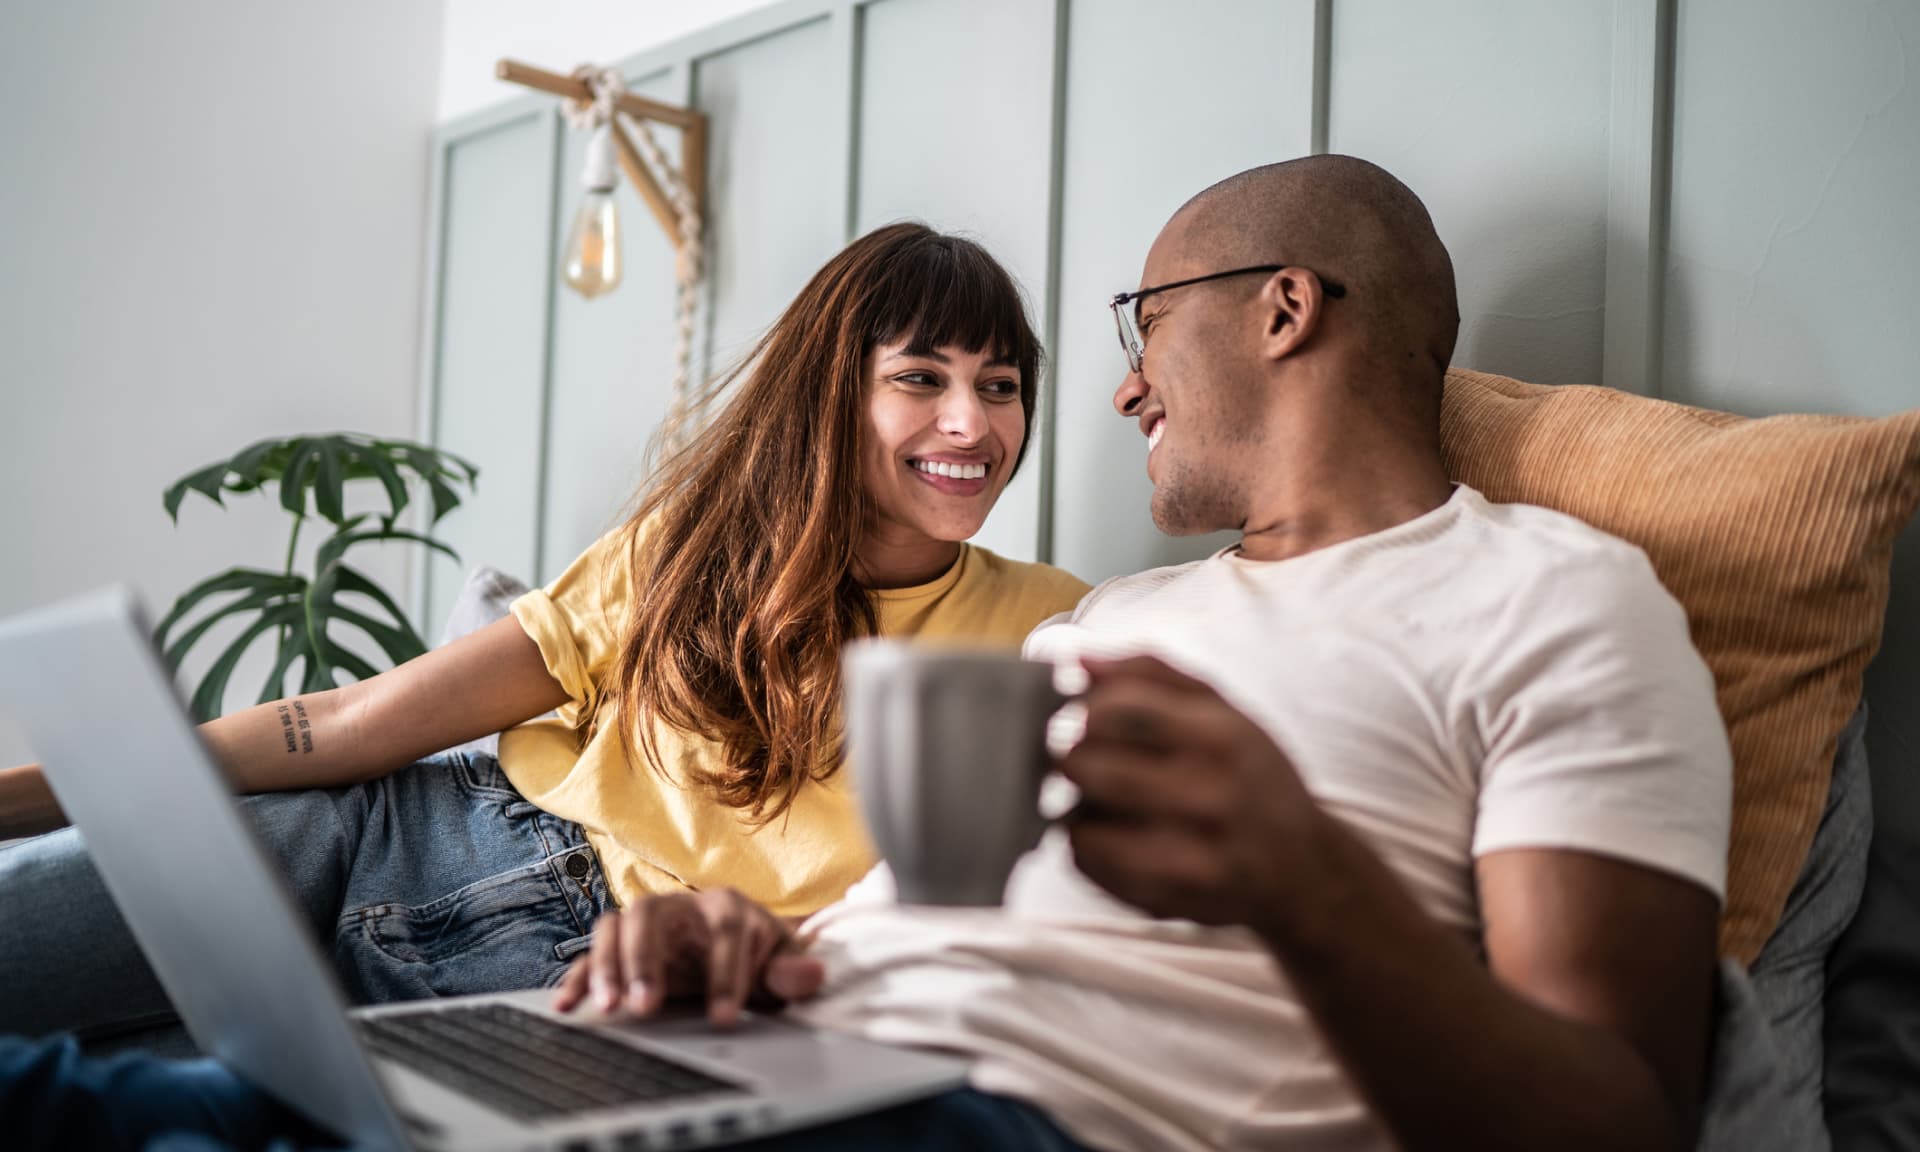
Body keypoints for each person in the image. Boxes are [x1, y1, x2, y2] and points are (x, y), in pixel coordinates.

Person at [0, 155, 1732, 1152]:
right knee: (118, 1101)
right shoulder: (1127, 620)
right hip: (724, 1028)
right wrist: (738, 934)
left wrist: (1303, 880)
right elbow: (916, 894)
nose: (1117, 386)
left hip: (985, 1114)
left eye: (1136, 327)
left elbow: (1624, 1113)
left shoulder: (1553, 599)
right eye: (929, 377)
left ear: (1284, 307)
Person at [0, 222, 1090, 1048]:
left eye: (1001, 387)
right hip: (409, 835)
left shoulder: (1055, 624)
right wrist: (36, 793)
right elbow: (352, 720)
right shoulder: (692, 552)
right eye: (921, 378)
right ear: (828, 398)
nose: (975, 425)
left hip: (605, 978)